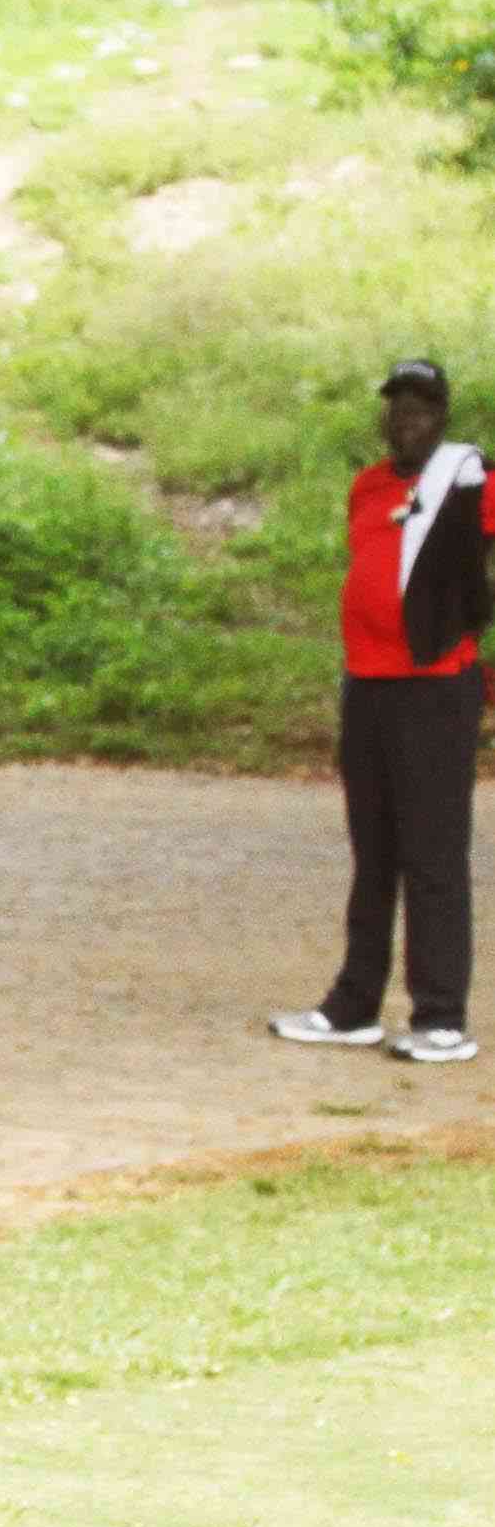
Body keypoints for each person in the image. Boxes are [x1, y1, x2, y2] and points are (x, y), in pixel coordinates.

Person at [273, 358, 489, 1064]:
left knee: (433, 856)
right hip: (366, 688)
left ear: (443, 417)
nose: (406, 419)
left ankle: (440, 1017)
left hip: (434, 690)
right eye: (397, 407)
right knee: (374, 856)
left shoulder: (469, 480)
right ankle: (353, 1006)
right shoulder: (366, 487)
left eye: (421, 408)